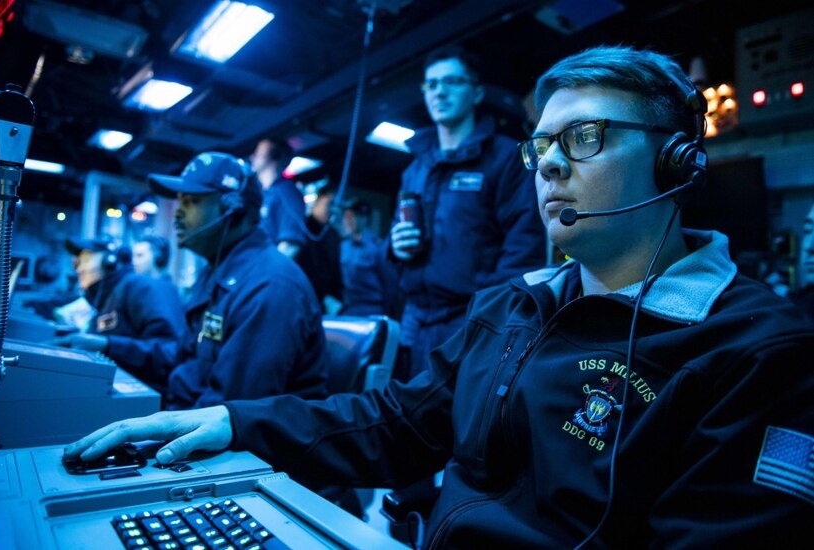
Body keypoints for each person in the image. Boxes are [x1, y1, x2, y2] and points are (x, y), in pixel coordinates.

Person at [66, 45, 814, 548]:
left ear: (675, 160)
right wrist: (231, 420)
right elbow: (395, 423)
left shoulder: (756, 352)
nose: (549, 166)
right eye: (541, 146)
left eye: (582, 137)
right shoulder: (510, 309)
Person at [389, 44, 545, 382]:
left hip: (468, 319)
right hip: (414, 319)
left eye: (451, 82)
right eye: (430, 84)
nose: (438, 91)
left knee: (455, 426)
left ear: (475, 93)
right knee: (408, 422)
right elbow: (398, 240)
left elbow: (523, 251)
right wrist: (396, 247)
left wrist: (485, 322)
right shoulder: (415, 168)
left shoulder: (505, 159)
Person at [147, 151, 327, 410]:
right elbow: (180, 355)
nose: (177, 213)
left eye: (191, 201)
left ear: (232, 209)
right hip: (195, 416)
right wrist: (107, 346)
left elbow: (231, 410)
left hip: (244, 445)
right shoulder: (217, 271)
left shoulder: (269, 285)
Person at [51, 237, 187, 394]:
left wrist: (109, 345)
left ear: (110, 261)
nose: (78, 269)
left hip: (147, 402)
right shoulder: (108, 295)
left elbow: (170, 351)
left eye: (86, 260)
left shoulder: (142, 287)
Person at [340, 198, 399, 317]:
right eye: (348, 216)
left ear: (365, 218)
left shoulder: (377, 247)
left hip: (372, 309)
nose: (350, 220)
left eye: (354, 216)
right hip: (349, 308)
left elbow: (390, 284)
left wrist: (388, 312)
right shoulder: (344, 246)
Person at [249, 138, 306, 259]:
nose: (252, 157)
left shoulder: (287, 192)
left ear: (274, 156)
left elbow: (290, 245)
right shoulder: (262, 193)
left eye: (258, 153)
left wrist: (265, 274)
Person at [294, 181, 344, 314]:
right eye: (329, 204)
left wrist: (337, 297)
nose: (332, 210)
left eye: (335, 206)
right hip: (302, 298)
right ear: (319, 199)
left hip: (325, 304)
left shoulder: (331, 234)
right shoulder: (302, 228)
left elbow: (335, 269)